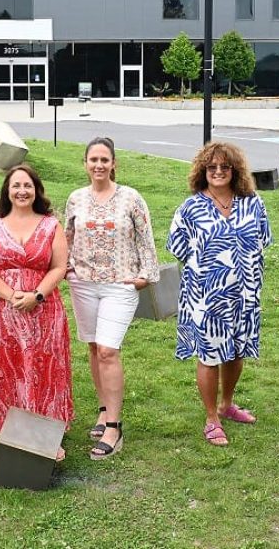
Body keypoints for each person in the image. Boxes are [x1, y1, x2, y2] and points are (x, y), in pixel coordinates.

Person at [166, 141, 271, 447]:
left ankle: (227, 405)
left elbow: (262, 241)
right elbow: (179, 248)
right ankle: (211, 417)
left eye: (225, 166)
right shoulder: (191, 208)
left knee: (237, 351)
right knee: (209, 356)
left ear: (235, 170)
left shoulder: (253, 203)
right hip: (206, 298)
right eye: (212, 167)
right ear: (203, 170)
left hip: (244, 294)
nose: (218, 172)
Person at [64, 137, 159, 460]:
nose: (99, 165)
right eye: (93, 160)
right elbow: (67, 237)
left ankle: (115, 427)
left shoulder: (130, 198)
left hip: (120, 284)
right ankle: (104, 410)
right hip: (84, 283)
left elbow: (145, 237)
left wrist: (147, 273)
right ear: (85, 163)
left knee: (108, 349)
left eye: (105, 160)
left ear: (114, 163)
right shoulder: (76, 199)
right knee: (93, 346)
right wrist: (65, 269)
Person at [0, 165, 73, 460]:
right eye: (16, 186)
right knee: (7, 368)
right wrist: (11, 294)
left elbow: (59, 266)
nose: (21, 191)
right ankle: (12, 432)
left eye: (27, 185)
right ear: (7, 190)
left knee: (43, 369)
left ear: (36, 190)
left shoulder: (50, 225)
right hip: (0, 311)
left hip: (43, 310)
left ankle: (46, 436)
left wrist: (36, 295)